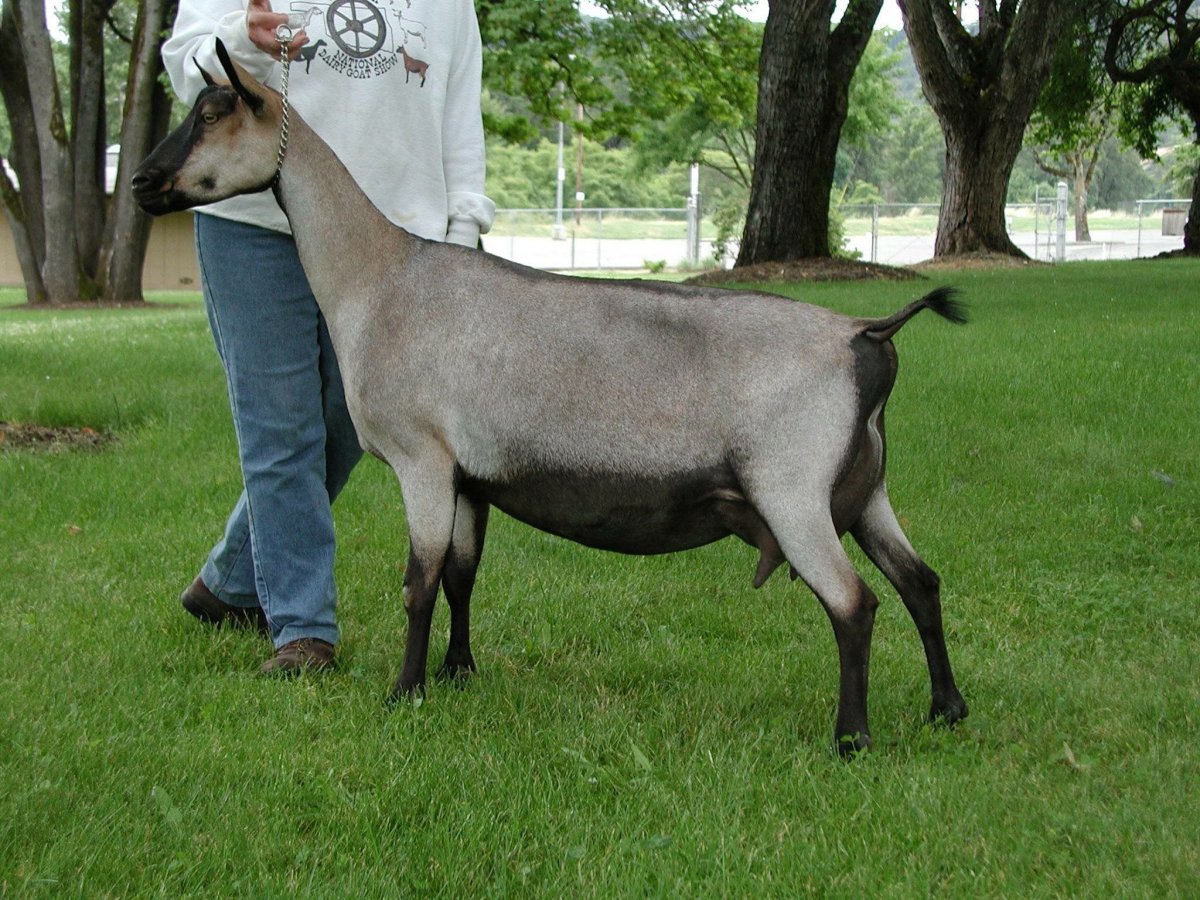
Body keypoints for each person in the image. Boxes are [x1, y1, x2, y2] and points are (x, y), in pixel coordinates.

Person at [161, 0, 494, 674]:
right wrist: (237, 37)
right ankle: (302, 629)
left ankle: (230, 581)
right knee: (279, 427)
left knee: (352, 421)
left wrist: (462, 228)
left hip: (399, 237)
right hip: (255, 223)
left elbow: (459, 104)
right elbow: (185, 60)